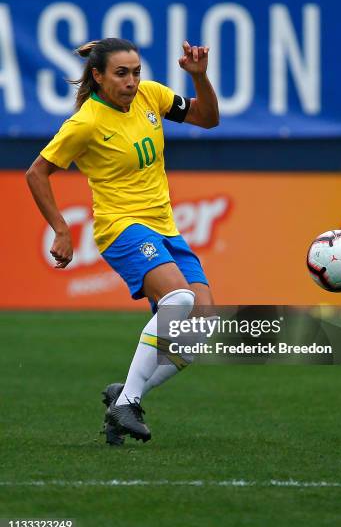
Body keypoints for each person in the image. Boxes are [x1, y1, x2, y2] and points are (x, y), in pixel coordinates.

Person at [26, 37, 219, 445]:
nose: (132, 81)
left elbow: (207, 118)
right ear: (97, 76)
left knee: (200, 330)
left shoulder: (150, 96)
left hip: (165, 226)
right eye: (121, 73)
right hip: (121, 227)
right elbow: (36, 173)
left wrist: (199, 78)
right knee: (179, 301)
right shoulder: (86, 123)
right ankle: (128, 401)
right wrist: (61, 228)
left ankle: (125, 396)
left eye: (135, 72)